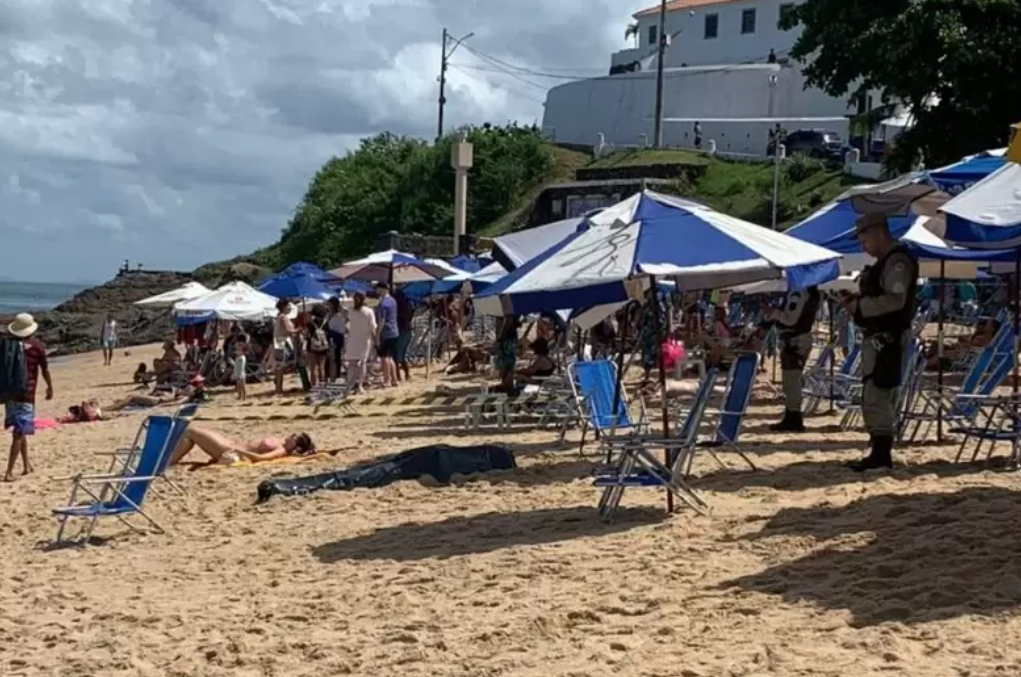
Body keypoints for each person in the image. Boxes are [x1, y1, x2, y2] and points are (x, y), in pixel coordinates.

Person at [841, 213, 919, 471]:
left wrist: (860, 306)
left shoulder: (897, 261)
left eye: (863, 238)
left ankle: (882, 455)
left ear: (877, 233)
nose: (862, 245)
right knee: (873, 393)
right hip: (879, 339)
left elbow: (894, 300)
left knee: (879, 394)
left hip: (888, 339)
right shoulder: (886, 262)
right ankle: (878, 450)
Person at [3, 314, 52, 482]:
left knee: (19, 429)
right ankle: (9, 472)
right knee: (19, 432)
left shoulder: (8, 346)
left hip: (10, 393)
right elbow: (45, 369)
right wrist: (50, 387)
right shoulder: (37, 347)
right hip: (26, 394)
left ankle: (26, 465)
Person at [766, 285, 821, 432]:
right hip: (796, 340)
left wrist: (774, 313)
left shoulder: (800, 292)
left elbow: (790, 319)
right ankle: (792, 415)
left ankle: (794, 417)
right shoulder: (807, 291)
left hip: (795, 341)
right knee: (791, 381)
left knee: (792, 381)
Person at [168, 426, 315, 467]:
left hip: (228, 450)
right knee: (192, 432)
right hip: (230, 443)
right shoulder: (282, 442)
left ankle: (168, 462)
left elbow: (260, 458)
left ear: (295, 445)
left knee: (190, 432)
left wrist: (239, 451)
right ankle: (168, 458)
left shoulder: (281, 450)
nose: (290, 436)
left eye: (294, 437)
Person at [346, 291, 377, 393]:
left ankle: (351, 385)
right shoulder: (369, 312)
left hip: (353, 339)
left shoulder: (350, 311)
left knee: (353, 364)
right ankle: (359, 385)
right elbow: (373, 327)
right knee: (360, 363)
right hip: (363, 340)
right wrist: (376, 339)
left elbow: (346, 325)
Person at [374, 284, 399, 387]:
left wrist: (377, 335)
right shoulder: (393, 300)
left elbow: (381, 320)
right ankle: (394, 379)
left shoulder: (383, 304)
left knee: (384, 358)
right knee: (390, 357)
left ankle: (387, 380)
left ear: (381, 289)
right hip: (394, 331)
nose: (376, 290)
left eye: (377, 288)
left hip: (386, 332)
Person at [273, 299, 296, 395]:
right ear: (284, 307)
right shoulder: (283, 317)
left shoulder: (280, 316)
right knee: (281, 367)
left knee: (279, 366)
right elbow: (289, 330)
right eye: (288, 306)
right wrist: (299, 329)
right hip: (282, 343)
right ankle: (279, 389)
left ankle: (278, 388)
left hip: (279, 343)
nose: (290, 307)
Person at [306, 305, 330, 387]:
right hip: (324, 347)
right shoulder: (326, 323)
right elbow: (328, 335)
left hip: (312, 347)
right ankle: (323, 385)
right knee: (322, 367)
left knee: (314, 368)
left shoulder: (310, 323)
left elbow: (306, 335)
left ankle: (315, 386)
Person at [394, 289, 413, 382]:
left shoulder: (397, 308)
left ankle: (399, 376)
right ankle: (406, 374)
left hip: (400, 332)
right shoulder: (408, 305)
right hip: (408, 332)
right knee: (402, 355)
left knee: (396, 356)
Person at [326, 297, 347, 382]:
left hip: (337, 337)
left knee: (336, 358)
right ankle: (330, 376)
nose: (328, 306)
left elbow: (341, 328)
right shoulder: (328, 315)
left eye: (329, 304)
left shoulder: (339, 315)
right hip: (330, 336)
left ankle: (336, 376)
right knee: (330, 359)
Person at [233, 334, 249, 401]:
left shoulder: (242, 358)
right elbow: (236, 366)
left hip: (241, 374)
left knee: (243, 386)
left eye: (238, 350)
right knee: (238, 386)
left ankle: (244, 396)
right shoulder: (238, 358)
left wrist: (239, 374)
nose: (237, 351)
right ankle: (239, 396)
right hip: (237, 374)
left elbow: (241, 367)